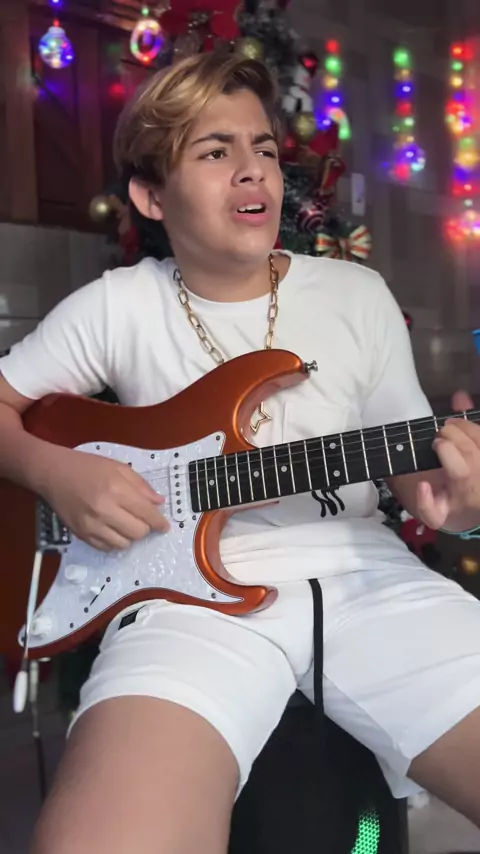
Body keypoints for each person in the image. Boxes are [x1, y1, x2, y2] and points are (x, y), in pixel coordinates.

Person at [1, 52, 480, 854]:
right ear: (152, 196)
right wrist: (54, 471)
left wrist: (457, 502)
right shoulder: (119, 306)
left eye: (262, 147)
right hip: (180, 602)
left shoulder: (354, 294)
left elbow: (415, 472)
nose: (253, 169)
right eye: (215, 151)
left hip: (365, 578)